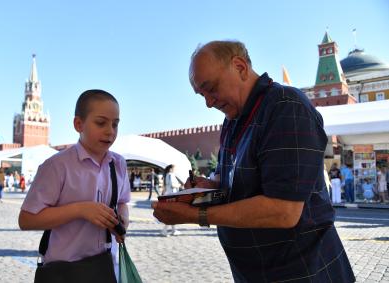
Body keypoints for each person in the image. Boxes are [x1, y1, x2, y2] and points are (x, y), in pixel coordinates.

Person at [152, 40, 354, 282]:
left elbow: (284, 211)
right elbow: (229, 175)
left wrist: (196, 215)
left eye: (211, 88)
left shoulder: (285, 106)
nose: (208, 103)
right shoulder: (233, 118)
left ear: (240, 67)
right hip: (258, 272)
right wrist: (210, 185)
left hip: (303, 271)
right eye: (201, 95)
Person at [18, 89, 130, 281]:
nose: (110, 131)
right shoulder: (56, 166)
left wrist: (122, 221)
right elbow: (27, 220)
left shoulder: (118, 164)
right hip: (64, 270)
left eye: (115, 124)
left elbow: (122, 201)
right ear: (79, 124)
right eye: (101, 123)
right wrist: (80, 210)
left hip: (106, 267)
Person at [160, 164, 182, 237]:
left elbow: (166, 187)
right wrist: (179, 185)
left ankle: (173, 230)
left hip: (169, 195)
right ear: (171, 169)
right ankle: (165, 230)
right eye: (174, 168)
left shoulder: (167, 175)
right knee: (172, 214)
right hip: (172, 196)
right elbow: (172, 185)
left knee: (172, 214)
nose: (175, 170)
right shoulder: (170, 175)